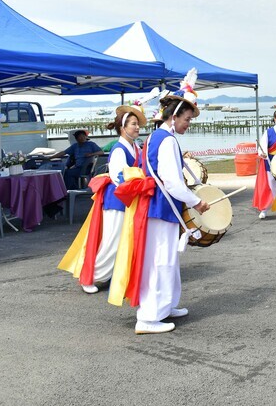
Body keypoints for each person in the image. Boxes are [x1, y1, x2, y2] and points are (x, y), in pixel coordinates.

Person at [105, 70, 209, 335]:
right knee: (160, 260)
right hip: (161, 206)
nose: (188, 124)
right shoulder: (167, 140)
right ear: (173, 117)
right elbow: (173, 182)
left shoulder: (154, 137)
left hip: (155, 205)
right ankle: (149, 317)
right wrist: (197, 202)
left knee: (167, 260)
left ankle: (167, 305)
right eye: (186, 119)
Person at [59, 102, 148, 294]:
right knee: (112, 241)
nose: (137, 127)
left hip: (127, 198)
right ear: (123, 128)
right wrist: (139, 184)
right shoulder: (119, 149)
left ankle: (110, 274)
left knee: (122, 240)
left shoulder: (133, 147)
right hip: (118, 199)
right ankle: (92, 276)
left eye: (138, 124)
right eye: (133, 124)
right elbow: (118, 178)